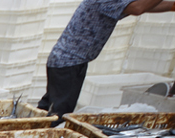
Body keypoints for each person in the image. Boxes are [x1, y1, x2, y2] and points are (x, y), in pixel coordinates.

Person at [39, 0, 174, 120]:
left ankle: (27, 129)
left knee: (47, 107)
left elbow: (142, 5)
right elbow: (138, 8)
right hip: (69, 62)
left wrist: (171, 6)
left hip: (68, 60)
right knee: (59, 114)